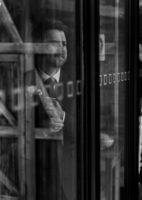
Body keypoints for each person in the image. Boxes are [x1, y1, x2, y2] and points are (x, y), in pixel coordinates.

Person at [27, 19, 75, 200]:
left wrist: (62, 116)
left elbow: (84, 129)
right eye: (55, 43)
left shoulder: (78, 84)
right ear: (40, 47)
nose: (62, 49)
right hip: (31, 178)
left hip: (67, 182)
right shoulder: (23, 79)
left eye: (64, 44)